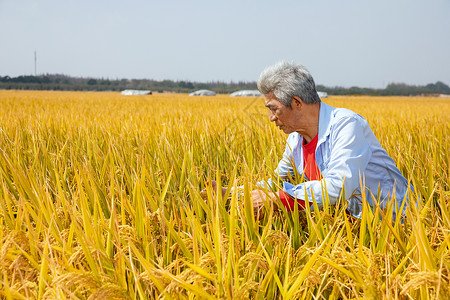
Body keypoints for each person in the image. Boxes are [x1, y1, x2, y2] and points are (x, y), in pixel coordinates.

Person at [206, 61, 412, 220]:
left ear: (296, 103)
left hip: (396, 224)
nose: (271, 118)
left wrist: (277, 200)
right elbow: (279, 182)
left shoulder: (346, 125)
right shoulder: (296, 139)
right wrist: (232, 194)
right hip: (357, 226)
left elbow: (339, 187)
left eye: (274, 109)